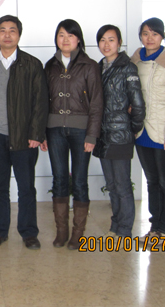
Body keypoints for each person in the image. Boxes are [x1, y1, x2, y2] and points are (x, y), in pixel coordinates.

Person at [0, 15, 48, 250]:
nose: (7, 35)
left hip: (24, 139)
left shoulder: (32, 64)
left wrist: (36, 134)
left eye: (12, 30)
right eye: (2, 30)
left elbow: (41, 102)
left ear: (19, 34)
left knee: (26, 187)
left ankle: (29, 232)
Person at [41, 19, 103, 250]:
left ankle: (78, 233)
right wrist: (42, 132)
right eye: (61, 35)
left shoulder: (90, 66)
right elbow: (42, 102)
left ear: (78, 39)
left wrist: (92, 135)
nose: (65, 39)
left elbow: (96, 103)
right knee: (59, 179)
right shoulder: (50, 66)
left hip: (81, 131)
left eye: (70, 35)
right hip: (54, 130)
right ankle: (61, 232)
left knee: (79, 180)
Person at [131, 17, 165, 244]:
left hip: (164, 134)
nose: (150, 38)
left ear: (162, 36)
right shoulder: (135, 62)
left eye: (155, 34)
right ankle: (155, 227)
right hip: (142, 132)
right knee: (152, 181)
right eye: (145, 33)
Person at [93, 25, 145, 239]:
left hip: (121, 135)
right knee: (112, 185)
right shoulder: (99, 67)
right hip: (103, 135)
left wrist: (132, 129)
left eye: (111, 40)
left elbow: (138, 105)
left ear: (120, 42)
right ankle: (115, 225)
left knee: (122, 185)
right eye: (102, 40)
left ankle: (124, 229)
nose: (106, 44)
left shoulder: (127, 68)